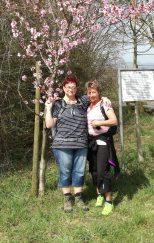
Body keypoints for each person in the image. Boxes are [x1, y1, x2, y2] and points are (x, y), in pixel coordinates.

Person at [45, 76, 111, 213]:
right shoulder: (58, 104)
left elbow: (95, 97)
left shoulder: (82, 100)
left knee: (79, 172)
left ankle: (79, 198)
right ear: (63, 88)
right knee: (65, 172)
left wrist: (104, 98)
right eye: (68, 87)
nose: (71, 89)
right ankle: (67, 199)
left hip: (81, 144)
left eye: (74, 87)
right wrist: (48, 108)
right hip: (62, 145)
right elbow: (49, 124)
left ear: (76, 88)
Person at [86, 80, 119, 216]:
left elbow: (114, 121)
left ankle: (109, 202)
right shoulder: (87, 105)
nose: (91, 95)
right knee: (93, 170)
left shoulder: (104, 104)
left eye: (94, 92)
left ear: (99, 92)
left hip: (103, 142)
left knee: (102, 171)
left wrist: (99, 122)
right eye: (89, 92)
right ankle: (99, 194)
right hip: (91, 142)